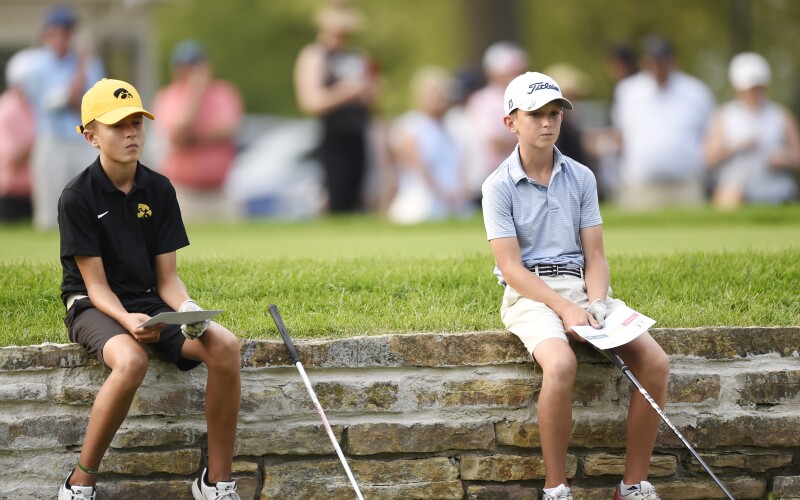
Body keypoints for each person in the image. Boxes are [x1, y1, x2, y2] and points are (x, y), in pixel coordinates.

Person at [481, 71, 669, 500]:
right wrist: (564, 309)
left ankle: (633, 485)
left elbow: (596, 257)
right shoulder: (497, 187)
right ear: (511, 122)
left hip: (583, 288)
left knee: (656, 363)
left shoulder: (581, 177)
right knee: (562, 364)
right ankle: (556, 488)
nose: (547, 122)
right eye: (535, 115)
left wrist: (597, 304)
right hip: (530, 294)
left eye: (554, 113)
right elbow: (511, 268)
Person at [57, 79, 241, 500]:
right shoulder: (76, 197)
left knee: (225, 347)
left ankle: (217, 483)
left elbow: (168, 279)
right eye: (118, 125)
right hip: (94, 304)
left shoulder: (160, 188)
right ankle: (80, 481)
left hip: (149, 300)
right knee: (131, 360)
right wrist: (126, 320)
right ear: (90, 135)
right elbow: (96, 286)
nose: (131, 133)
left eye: (137, 122)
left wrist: (188, 310)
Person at [22, 4, 104, 229]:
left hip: (83, 140)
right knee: (50, 209)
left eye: (68, 31)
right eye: (57, 31)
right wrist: (81, 65)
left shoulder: (91, 64)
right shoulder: (35, 65)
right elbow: (63, 100)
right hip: (51, 142)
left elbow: (94, 105)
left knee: (88, 204)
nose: (63, 37)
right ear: (46, 34)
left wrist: (83, 65)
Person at [294, 0, 380, 213]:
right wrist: (346, 92)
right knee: (336, 198)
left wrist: (368, 91)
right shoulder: (315, 54)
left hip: (359, 133)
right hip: (333, 136)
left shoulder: (358, 55)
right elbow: (311, 101)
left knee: (358, 200)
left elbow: (373, 95)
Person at [611, 35, 715, 211]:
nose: (658, 66)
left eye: (662, 60)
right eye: (653, 60)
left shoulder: (696, 92)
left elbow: (712, 135)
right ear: (645, 62)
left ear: (673, 61)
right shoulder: (628, 91)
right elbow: (619, 135)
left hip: (685, 185)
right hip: (640, 186)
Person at [152, 40, 244, 223]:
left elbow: (230, 129)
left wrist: (193, 138)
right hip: (183, 193)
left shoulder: (224, 92)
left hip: (219, 191)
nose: (191, 72)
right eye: (185, 66)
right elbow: (178, 135)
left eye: (196, 65)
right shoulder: (168, 97)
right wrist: (195, 95)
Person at [704, 52, 800, 208]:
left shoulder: (781, 115)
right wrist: (736, 146)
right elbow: (709, 157)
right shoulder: (724, 115)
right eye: (749, 89)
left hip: (775, 191)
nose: (754, 94)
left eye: (757, 88)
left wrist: (784, 158)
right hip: (735, 192)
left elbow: (797, 156)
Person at [387, 66, 472, 224]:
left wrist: (458, 192)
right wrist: (441, 192)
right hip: (424, 197)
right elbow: (418, 166)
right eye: (433, 91)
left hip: (453, 198)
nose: (438, 96)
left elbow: (460, 166)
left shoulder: (453, 128)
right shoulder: (410, 126)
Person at [466, 41, 529, 196]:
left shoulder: (522, 98)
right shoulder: (484, 101)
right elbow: (493, 141)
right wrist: (531, 139)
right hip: (496, 175)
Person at [0, 49, 36, 222]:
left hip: (34, 193)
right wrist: (44, 140)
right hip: (14, 195)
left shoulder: (35, 106)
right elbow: (13, 158)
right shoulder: (7, 109)